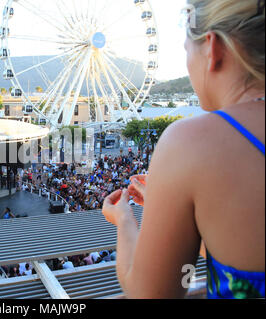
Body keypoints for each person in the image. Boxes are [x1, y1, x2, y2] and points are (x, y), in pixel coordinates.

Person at [102, 0, 265, 299]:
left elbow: (149, 294)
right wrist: (168, 210)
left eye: (187, 50)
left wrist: (124, 220)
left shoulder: (191, 143)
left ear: (213, 48)